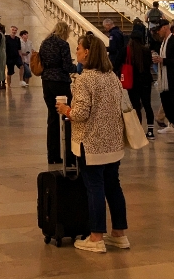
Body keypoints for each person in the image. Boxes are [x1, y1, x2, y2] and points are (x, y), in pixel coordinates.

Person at [56, 38, 129, 254]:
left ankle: (96, 236)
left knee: (94, 187)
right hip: (113, 141)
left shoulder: (84, 79)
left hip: (91, 143)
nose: (76, 52)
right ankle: (119, 233)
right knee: (113, 186)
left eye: (78, 48)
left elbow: (80, 113)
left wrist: (64, 109)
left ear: (87, 52)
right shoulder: (111, 76)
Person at [38, 22, 75, 164]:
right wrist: (76, 68)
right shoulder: (62, 44)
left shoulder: (44, 43)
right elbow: (67, 66)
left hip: (46, 82)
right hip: (60, 82)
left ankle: (52, 156)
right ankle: (69, 157)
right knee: (67, 116)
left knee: (52, 118)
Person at [126, 23, 155, 139]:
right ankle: (151, 131)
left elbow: (117, 63)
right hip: (146, 81)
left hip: (132, 82)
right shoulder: (146, 51)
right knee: (147, 105)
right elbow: (149, 65)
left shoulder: (127, 51)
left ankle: (138, 130)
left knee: (136, 106)